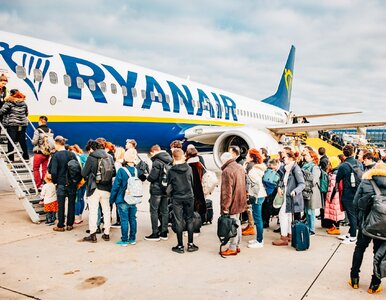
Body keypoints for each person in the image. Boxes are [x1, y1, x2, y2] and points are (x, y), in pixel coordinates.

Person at [349, 162, 386, 294]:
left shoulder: (366, 182)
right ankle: (374, 284)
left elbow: (355, 203)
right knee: (379, 253)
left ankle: (354, 278)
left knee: (360, 248)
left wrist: (360, 219)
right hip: (383, 226)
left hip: (366, 223)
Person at [82, 139, 115, 242]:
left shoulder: (91, 158)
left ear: (92, 148)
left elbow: (83, 173)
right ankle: (106, 233)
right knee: (106, 211)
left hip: (94, 188)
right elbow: (114, 173)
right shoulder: (109, 157)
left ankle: (93, 234)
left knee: (93, 211)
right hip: (107, 188)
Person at [167, 148, 198, 253]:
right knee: (189, 219)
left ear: (173, 157)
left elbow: (168, 185)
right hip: (189, 196)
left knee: (178, 221)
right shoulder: (189, 168)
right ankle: (190, 244)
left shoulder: (171, 170)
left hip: (177, 197)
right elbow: (192, 182)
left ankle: (180, 246)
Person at [273, 150, 305, 246]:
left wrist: (295, 191)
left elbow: (302, 184)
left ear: (290, 158)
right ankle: (289, 235)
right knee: (287, 216)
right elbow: (281, 179)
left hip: (291, 197)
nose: (283, 160)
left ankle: (284, 237)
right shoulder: (287, 168)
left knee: (283, 215)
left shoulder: (295, 168)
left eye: (284, 158)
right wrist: (279, 187)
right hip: (287, 196)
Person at [219, 152, 247, 256]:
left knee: (232, 226)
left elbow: (227, 192)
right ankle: (237, 245)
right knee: (237, 223)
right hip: (240, 200)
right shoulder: (239, 167)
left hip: (232, 203)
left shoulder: (227, 171)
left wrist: (225, 207)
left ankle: (232, 247)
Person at [110, 149, 139, 246]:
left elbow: (116, 186)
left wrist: (112, 199)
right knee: (133, 219)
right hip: (133, 199)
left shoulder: (122, 170)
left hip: (122, 199)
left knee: (124, 220)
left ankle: (124, 240)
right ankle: (132, 238)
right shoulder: (135, 170)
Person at [48, 136, 77, 232]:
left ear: (57, 143)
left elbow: (53, 171)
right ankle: (70, 224)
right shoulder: (72, 154)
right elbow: (77, 168)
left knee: (61, 205)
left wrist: (55, 181)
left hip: (61, 184)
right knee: (71, 204)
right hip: (72, 183)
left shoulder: (56, 156)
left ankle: (61, 225)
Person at [336, 144, 363, 244]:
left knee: (351, 215)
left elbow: (338, 178)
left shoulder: (343, 165)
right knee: (354, 214)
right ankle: (351, 232)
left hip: (348, 193)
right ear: (353, 152)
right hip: (358, 192)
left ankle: (353, 237)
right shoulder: (359, 163)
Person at [145, 144, 172, 241]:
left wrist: (147, 176)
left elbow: (152, 177)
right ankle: (164, 232)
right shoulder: (169, 159)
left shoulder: (157, 161)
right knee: (165, 211)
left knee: (154, 211)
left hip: (156, 190)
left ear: (153, 152)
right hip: (166, 189)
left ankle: (155, 233)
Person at [0, 89, 29, 162]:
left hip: (12, 124)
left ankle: (10, 158)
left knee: (11, 140)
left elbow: (2, 111)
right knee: (22, 140)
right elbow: (26, 113)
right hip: (23, 124)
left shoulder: (9, 102)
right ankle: (26, 156)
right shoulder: (23, 103)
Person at [246, 148, 267, 249]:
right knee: (257, 218)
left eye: (247, 155)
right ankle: (258, 238)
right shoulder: (257, 168)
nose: (246, 156)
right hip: (260, 194)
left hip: (257, 195)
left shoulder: (253, 170)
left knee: (258, 219)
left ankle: (260, 241)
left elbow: (253, 183)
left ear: (252, 157)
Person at [31, 116, 55, 191]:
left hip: (39, 153)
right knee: (44, 169)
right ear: (46, 122)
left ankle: (39, 185)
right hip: (47, 153)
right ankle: (45, 183)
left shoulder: (37, 130)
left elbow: (34, 142)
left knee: (36, 168)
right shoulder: (51, 131)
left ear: (40, 121)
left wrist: (32, 141)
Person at [302, 149, 322, 235]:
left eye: (307, 156)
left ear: (312, 158)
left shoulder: (315, 167)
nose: (305, 157)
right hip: (306, 190)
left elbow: (314, 180)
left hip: (312, 191)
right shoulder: (305, 166)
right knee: (307, 210)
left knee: (311, 211)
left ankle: (312, 229)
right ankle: (309, 227)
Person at [185, 147, 206, 226]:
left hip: (192, 188)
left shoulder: (189, 165)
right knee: (200, 202)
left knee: (193, 206)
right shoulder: (198, 163)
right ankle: (201, 220)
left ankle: (195, 225)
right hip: (199, 186)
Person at [325, 157, 345, 235]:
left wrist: (330, 197)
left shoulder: (335, 173)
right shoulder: (336, 171)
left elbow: (334, 187)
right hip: (334, 195)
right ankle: (334, 226)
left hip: (334, 196)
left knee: (335, 211)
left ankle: (337, 228)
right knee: (333, 211)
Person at [68, 144, 88, 225]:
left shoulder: (74, 157)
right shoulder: (84, 157)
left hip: (78, 181)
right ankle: (80, 216)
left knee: (76, 199)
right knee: (81, 198)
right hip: (84, 181)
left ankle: (76, 217)